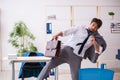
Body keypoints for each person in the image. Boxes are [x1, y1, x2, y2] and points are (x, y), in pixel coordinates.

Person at [37, 18, 107, 80]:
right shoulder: (81, 27)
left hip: (77, 57)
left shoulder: (96, 37)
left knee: (76, 77)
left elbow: (98, 50)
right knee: (48, 66)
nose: (93, 27)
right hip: (65, 51)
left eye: (96, 27)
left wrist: (94, 42)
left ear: (97, 29)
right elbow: (68, 31)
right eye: (93, 25)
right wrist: (57, 34)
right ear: (90, 23)